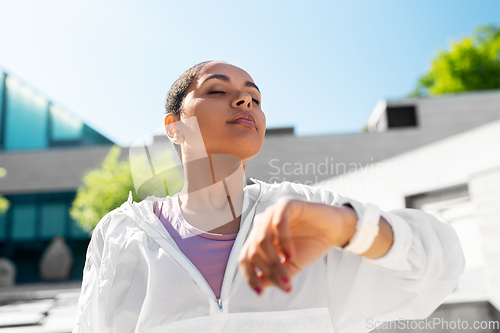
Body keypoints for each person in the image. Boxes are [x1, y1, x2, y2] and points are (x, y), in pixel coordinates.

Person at [73, 61, 465, 333]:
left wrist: (348, 226)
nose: (245, 101)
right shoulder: (121, 234)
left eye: (254, 98)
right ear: (175, 127)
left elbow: (439, 263)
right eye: (217, 90)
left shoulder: (306, 209)